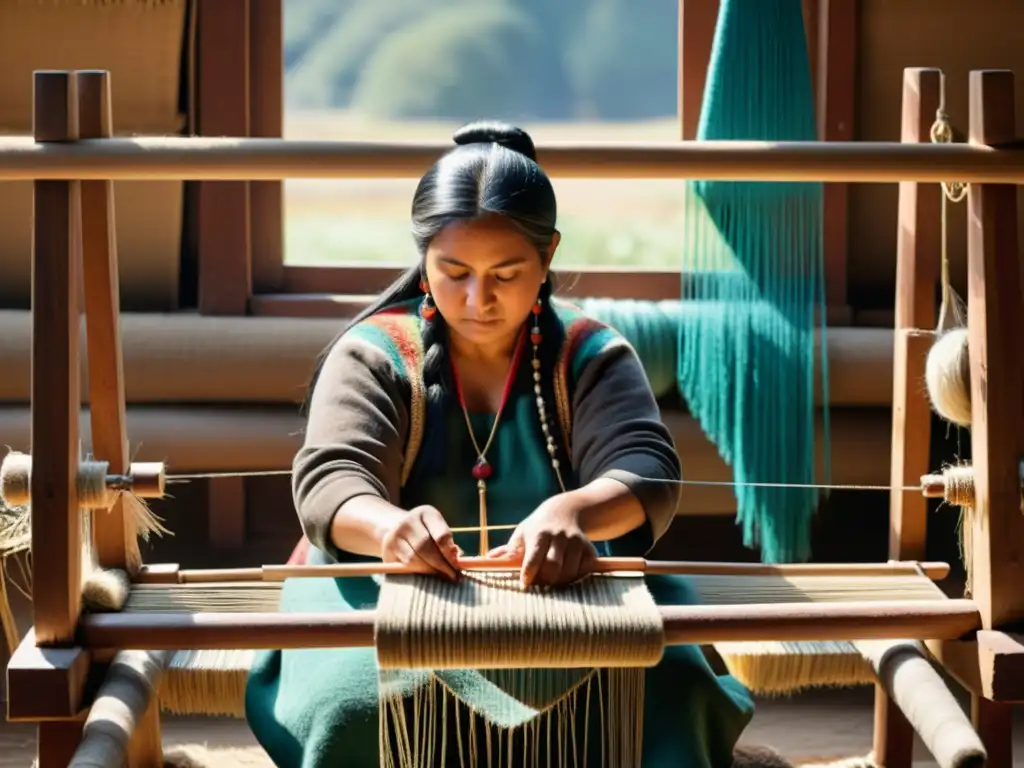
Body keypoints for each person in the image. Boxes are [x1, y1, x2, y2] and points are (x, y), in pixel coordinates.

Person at [245, 121, 762, 767]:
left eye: (506, 273)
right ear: (423, 257)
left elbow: (646, 467)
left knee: (665, 693)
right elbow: (331, 481)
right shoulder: (375, 354)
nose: (477, 298)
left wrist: (573, 513)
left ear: (548, 258)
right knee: (356, 707)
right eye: (453, 271)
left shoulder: (590, 354)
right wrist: (390, 530)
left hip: (575, 592)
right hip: (383, 586)